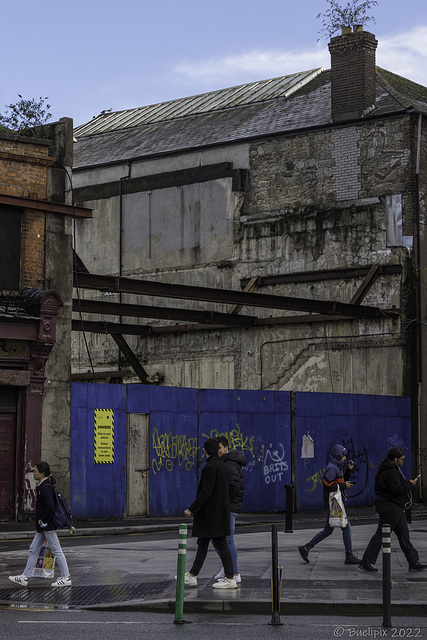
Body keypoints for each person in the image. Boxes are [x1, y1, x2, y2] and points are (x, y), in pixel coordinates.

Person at [358, 446, 426, 573]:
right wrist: (410, 485)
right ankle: (366, 562)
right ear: (395, 459)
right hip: (391, 507)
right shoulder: (391, 472)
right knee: (381, 535)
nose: (402, 462)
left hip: (394, 507)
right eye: (401, 459)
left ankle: (413, 561)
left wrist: (408, 483)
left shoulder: (389, 470)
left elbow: (397, 486)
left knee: (404, 535)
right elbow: (397, 490)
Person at [183, 438, 237, 589]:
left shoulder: (210, 468)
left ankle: (230, 577)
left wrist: (191, 509)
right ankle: (193, 574)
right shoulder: (223, 466)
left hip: (210, 514)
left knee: (220, 544)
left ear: (205, 452)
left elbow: (205, 492)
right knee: (203, 543)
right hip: (219, 512)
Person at [8, 462, 72, 588]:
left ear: (43, 473)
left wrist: (43, 520)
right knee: (33, 549)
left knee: (56, 550)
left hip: (46, 525)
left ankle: (66, 577)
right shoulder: (43, 486)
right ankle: (25, 577)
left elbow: (50, 506)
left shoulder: (46, 488)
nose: (34, 473)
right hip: (44, 526)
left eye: (36, 471)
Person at [298, 444, 360, 565]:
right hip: (334, 503)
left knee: (328, 530)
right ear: (338, 455)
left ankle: (305, 548)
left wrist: (349, 469)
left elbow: (340, 482)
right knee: (346, 528)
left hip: (336, 503)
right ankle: (349, 556)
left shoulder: (338, 466)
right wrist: (344, 486)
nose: (345, 458)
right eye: (343, 456)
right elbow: (328, 485)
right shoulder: (332, 468)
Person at [213, 436, 246, 585]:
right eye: (217, 449)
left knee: (227, 539)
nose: (218, 451)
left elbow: (233, 486)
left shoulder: (230, 463)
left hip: (229, 506)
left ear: (226, 448)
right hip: (227, 505)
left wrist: (225, 504)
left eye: (220, 448)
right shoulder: (226, 461)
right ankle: (227, 567)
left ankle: (234, 572)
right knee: (218, 540)